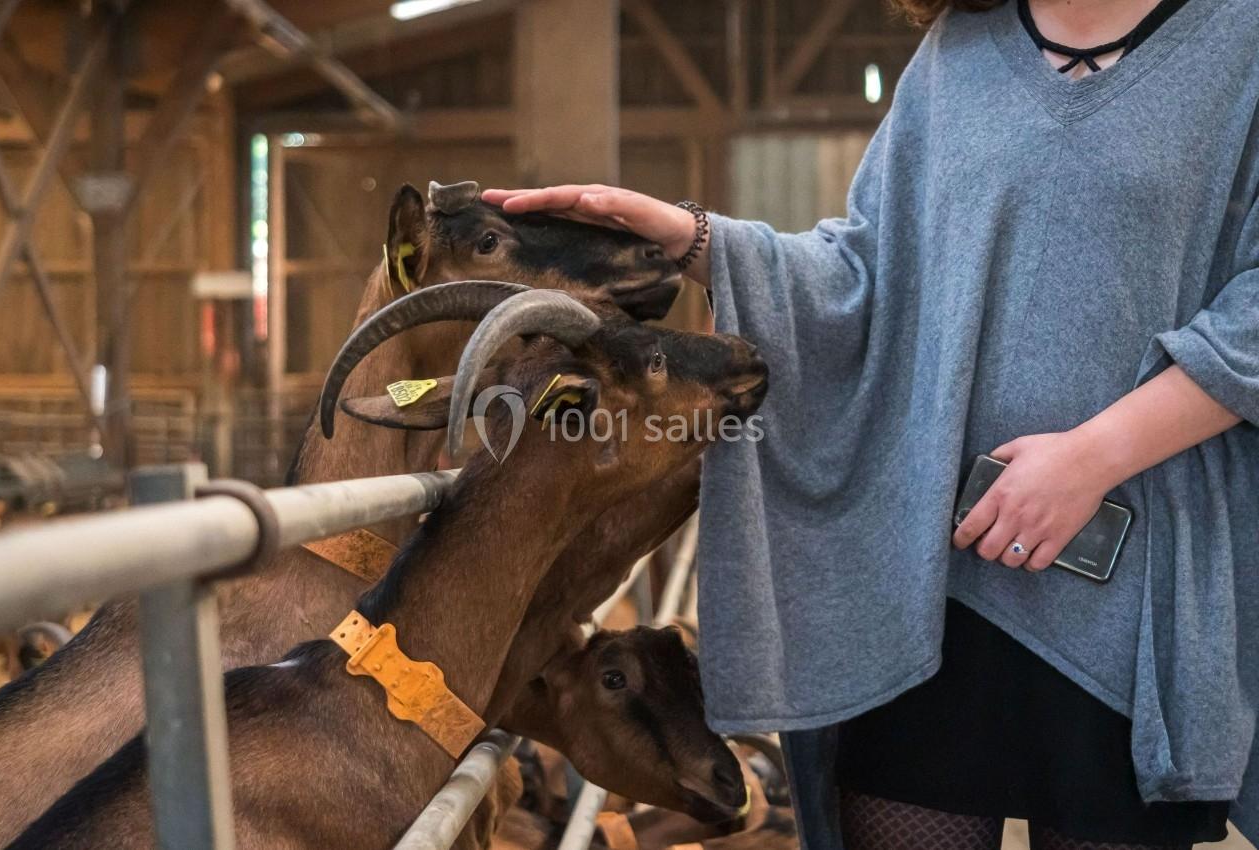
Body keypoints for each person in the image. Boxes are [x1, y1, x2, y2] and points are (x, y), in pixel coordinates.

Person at [483, 0, 1259, 847]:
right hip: (930, 590)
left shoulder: (1240, 42)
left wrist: (1092, 458)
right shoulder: (956, 55)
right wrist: (698, 240)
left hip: (1131, 599)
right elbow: (861, 274)